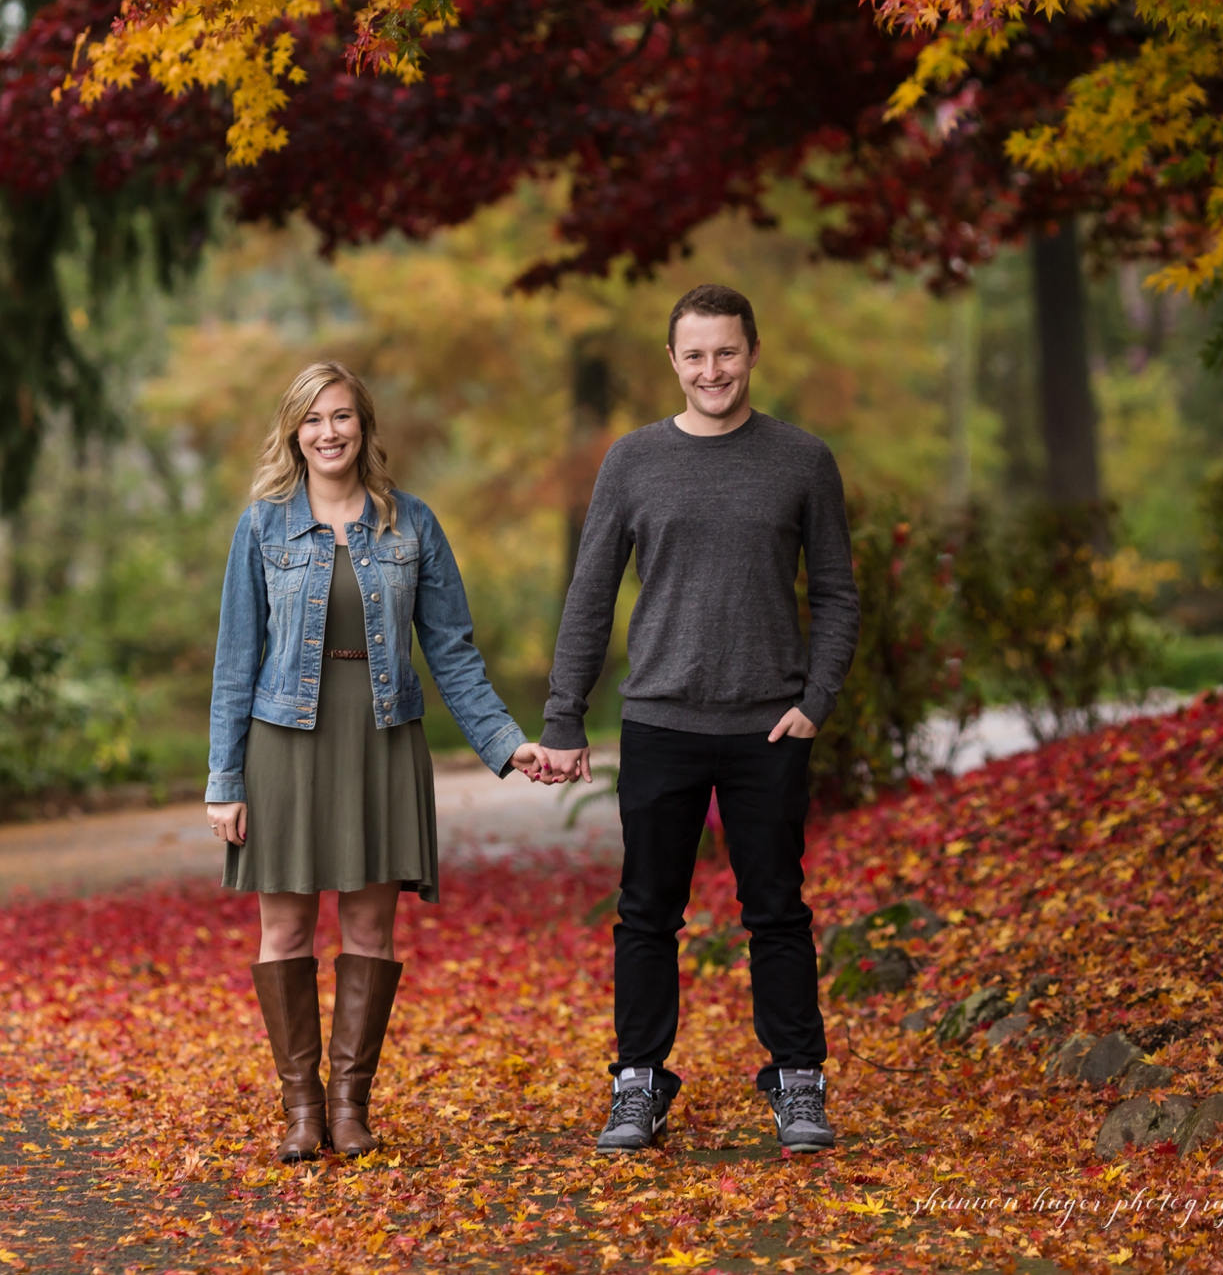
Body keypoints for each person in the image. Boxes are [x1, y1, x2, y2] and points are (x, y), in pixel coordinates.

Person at [538, 284, 860, 1154]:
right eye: (695, 355)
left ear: (752, 352)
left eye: (726, 352)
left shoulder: (802, 459)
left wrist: (814, 704)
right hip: (660, 725)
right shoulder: (632, 461)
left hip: (768, 728)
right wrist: (563, 720)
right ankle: (638, 1085)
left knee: (778, 913)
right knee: (647, 913)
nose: (711, 370)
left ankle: (798, 1083)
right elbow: (590, 596)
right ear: (672, 362)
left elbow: (835, 593)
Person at [207, 360, 548, 1163]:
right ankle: (300, 1110)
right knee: (285, 926)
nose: (329, 432)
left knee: (368, 922)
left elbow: (454, 652)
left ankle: (349, 1104)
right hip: (283, 743)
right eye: (313, 419)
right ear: (294, 431)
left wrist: (506, 742)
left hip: (382, 734)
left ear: (364, 427)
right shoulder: (261, 527)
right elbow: (234, 659)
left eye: (343, 417)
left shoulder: (412, 525)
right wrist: (224, 780)